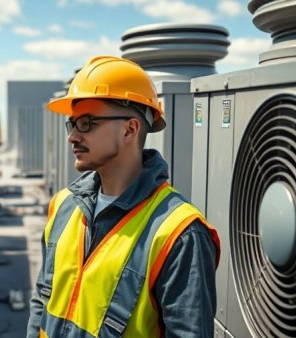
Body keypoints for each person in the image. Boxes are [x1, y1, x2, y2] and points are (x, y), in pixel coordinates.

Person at [26, 56, 220, 338]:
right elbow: (42, 298)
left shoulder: (179, 233)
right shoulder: (64, 205)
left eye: (87, 123)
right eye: (73, 125)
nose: (72, 137)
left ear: (130, 129)